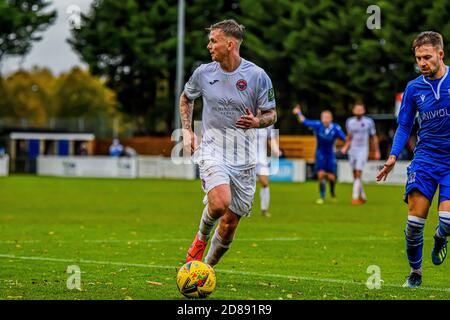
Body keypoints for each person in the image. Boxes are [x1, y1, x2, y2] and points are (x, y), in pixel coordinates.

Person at [179, 19, 277, 267]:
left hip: (244, 157)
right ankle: (200, 240)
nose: (209, 45)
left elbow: (272, 114)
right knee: (220, 202)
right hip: (213, 148)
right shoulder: (203, 73)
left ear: (230, 44)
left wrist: (257, 122)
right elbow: (186, 98)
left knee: (230, 222)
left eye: (213, 40)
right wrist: (188, 131)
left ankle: (205, 269)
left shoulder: (257, 76)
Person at [376, 31, 450, 288]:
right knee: (414, 224)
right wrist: (393, 156)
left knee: (448, 221)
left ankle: (441, 236)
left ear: (440, 54)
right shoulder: (413, 88)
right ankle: (415, 273)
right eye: (418, 58)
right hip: (426, 160)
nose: (422, 63)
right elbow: (405, 125)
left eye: (427, 57)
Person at [292, 104, 346, 204]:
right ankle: (322, 196)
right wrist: (298, 112)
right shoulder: (318, 125)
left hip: (330, 154)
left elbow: (345, 139)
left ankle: (332, 192)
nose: (325, 119)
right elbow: (304, 121)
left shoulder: (336, 128)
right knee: (321, 175)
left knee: (331, 177)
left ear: (331, 118)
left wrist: (343, 148)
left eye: (327, 117)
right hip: (320, 153)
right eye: (323, 117)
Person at [341, 102, 380, 205]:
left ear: (364, 110)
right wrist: (345, 146)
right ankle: (362, 197)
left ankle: (354, 198)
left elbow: (373, 137)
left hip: (363, 150)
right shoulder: (349, 122)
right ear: (353, 111)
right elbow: (349, 136)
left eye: (360, 109)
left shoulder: (369, 122)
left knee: (358, 173)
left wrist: (376, 151)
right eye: (356, 109)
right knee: (355, 175)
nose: (358, 111)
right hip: (352, 150)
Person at [255, 124, 282, 217]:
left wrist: (276, 149)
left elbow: (271, 138)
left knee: (265, 183)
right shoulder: (246, 118)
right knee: (242, 185)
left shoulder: (268, 123)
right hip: (245, 158)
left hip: (261, 159)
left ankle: (264, 209)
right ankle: (239, 209)